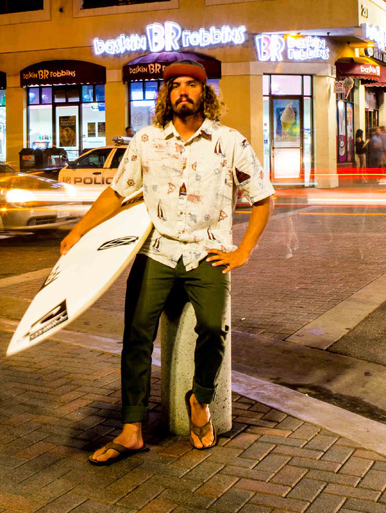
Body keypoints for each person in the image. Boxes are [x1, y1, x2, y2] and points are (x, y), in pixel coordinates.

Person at [62, 59, 274, 465]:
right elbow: (116, 192)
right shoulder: (146, 140)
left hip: (207, 252)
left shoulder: (229, 141)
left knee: (213, 328)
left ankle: (200, 399)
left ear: (204, 93)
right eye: (175, 85)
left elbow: (263, 198)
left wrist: (243, 251)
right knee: (136, 336)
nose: (182, 91)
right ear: (166, 95)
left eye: (191, 84)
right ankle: (132, 430)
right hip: (156, 252)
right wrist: (80, 230)